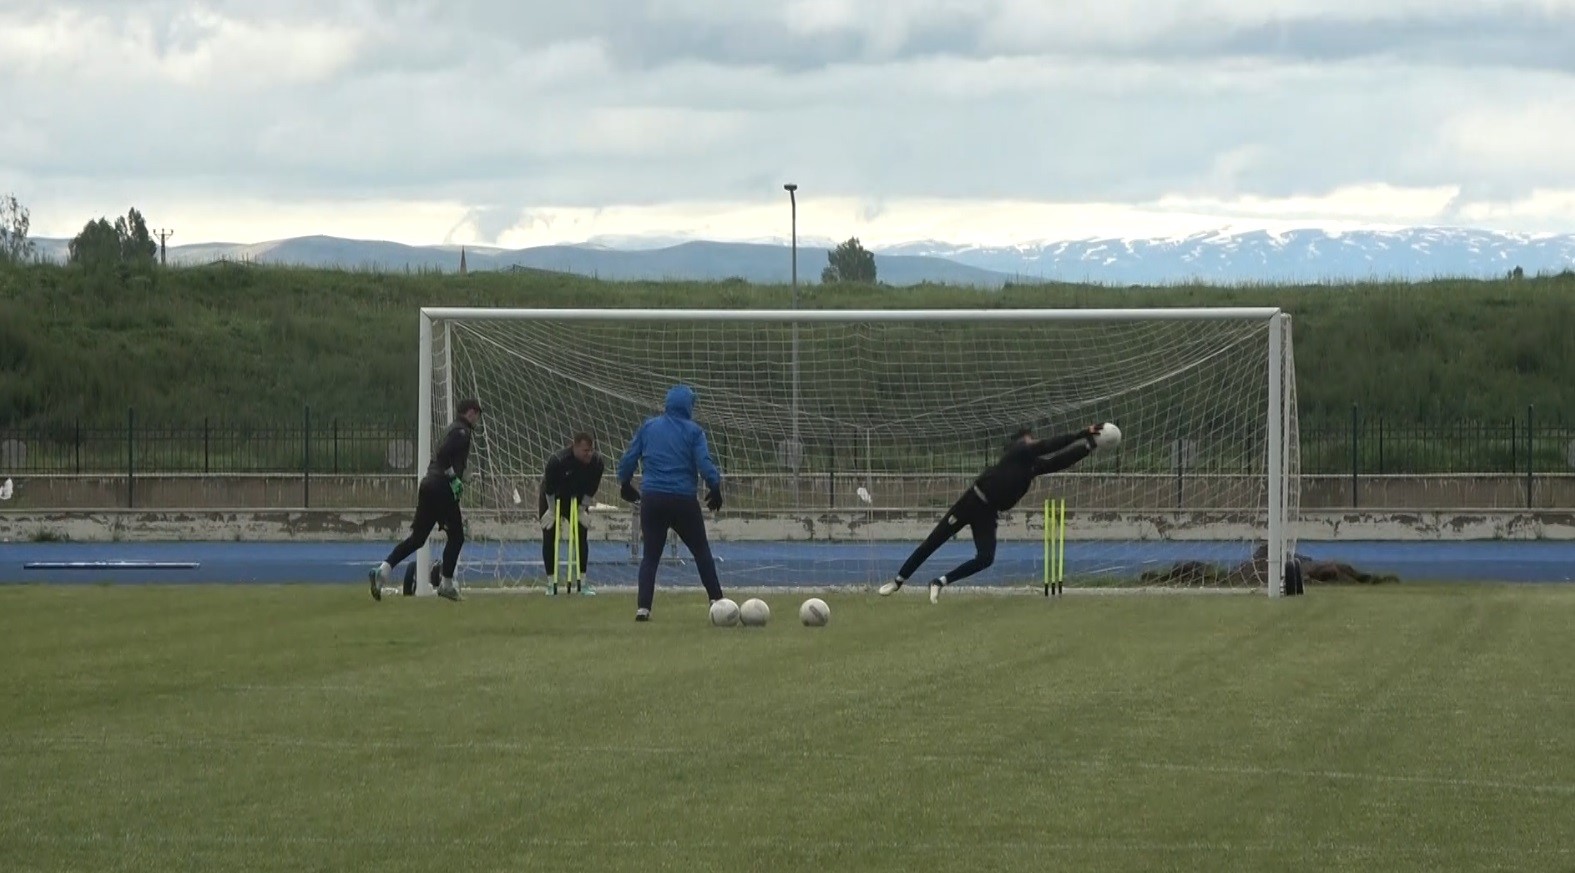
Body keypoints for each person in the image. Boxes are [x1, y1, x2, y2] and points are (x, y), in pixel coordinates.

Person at [880, 423, 1114, 604]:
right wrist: (1080, 433)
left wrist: (1088, 446)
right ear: (1021, 442)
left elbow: (1058, 461)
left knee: (985, 558)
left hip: (988, 512)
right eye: (1030, 439)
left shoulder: (1031, 466)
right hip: (971, 501)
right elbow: (1046, 446)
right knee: (934, 541)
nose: (1033, 441)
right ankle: (898, 581)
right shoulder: (1018, 452)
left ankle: (940, 582)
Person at [615, 384, 726, 621]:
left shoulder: (649, 427)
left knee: (651, 555)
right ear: (688, 406)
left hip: (653, 498)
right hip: (683, 499)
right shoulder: (694, 431)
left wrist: (624, 482)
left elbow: (629, 457)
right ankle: (717, 600)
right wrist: (714, 486)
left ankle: (643, 608)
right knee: (700, 550)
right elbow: (704, 462)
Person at [368, 399, 482, 602]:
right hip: (442, 488)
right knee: (457, 537)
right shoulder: (462, 431)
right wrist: (453, 478)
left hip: (428, 485)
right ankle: (446, 585)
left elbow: (442, 455)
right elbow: (443, 454)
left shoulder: (451, 429)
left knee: (418, 539)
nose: (478, 420)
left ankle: (383, 571)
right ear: (471, 413)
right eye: (477, 415)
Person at [539, 431, 605, 595]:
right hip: (553, 498)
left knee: (581, 534)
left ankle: (582, 582)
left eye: (591, 450)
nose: (588, 454)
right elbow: (548, 489)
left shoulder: (597, 462)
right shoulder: (558, 460)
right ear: (574, 447)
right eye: (585, 450)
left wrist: (582, 510)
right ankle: (550, 583)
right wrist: (553, 511)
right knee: (549, 533)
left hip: (577, 499)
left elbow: (591, 490)